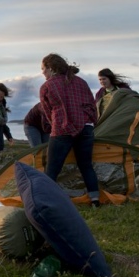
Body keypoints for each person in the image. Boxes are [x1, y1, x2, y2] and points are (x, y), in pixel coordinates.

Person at [39, 53, 101, 207]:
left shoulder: (47, 86)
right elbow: (92, 105)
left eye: (43, 69)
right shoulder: (81, 82)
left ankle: (45, 202)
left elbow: (48, 112)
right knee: (86, 165)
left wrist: (57, 124)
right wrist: (87, 121)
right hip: (86, 128)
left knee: (52, 168)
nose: (42, 73)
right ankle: (95, 200)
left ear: (51, 68)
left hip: (62, 128)